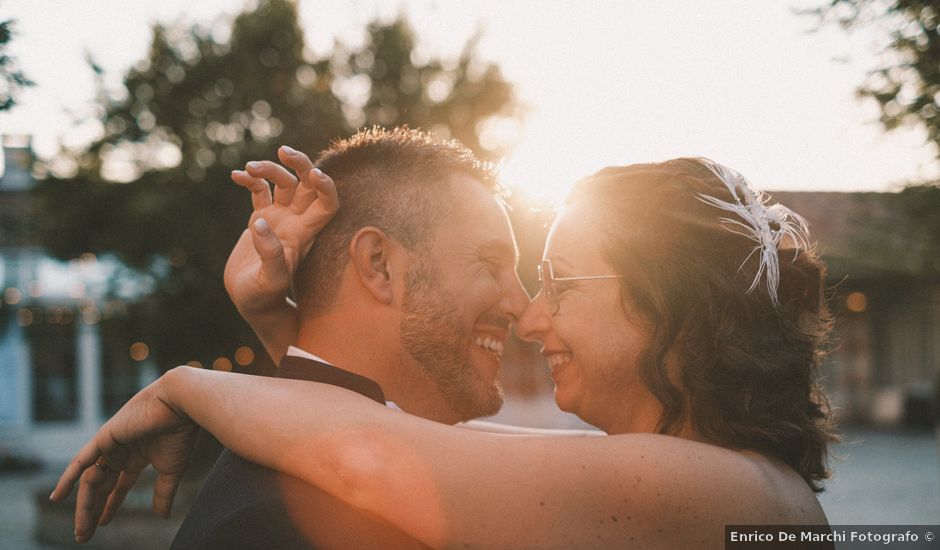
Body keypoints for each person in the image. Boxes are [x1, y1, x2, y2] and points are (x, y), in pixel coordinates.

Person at [53, 157, 837, 549]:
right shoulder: (700, 476)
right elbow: (398, 434)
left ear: (671, 302)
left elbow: (381, 458)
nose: (531, 317)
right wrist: (279, 326)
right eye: (505, 271)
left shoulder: (735, 495)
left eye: (560, 283)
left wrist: (184, 385)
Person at [169, 127, 536, 549]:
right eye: (491, 265)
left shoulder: (396, 479)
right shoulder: (267, 526)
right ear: (378, 265)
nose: (522, 307)